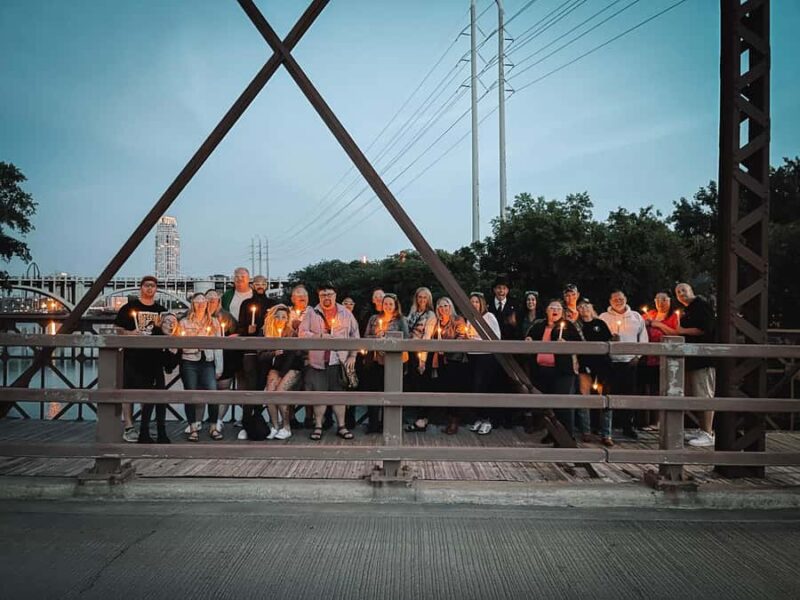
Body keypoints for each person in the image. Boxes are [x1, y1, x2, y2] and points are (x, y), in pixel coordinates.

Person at [650, 283, 716, 447]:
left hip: (703, 358)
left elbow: (705, 329)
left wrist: (680, 330)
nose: (681, 293)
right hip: (691, 358)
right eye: (678, 292)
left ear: (692, 290)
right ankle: (702, 430)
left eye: (684, 290)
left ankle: (708, 433)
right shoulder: (688, 309)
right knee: (694, 394)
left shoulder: (701, 305)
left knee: (704, 395)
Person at [299, 282, 360, 441]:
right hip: (318, 361)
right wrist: (319, 337)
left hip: (338, 361)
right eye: (323, 295)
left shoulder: (345, 313)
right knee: (319, 396)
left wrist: (353, 356)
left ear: (335, 295)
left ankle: (341, 425)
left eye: (329, 294)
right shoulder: (311, 313)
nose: (326, 297)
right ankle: (318, 425)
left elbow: (355, 336)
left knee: (339, 395)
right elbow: (302, 333)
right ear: (319, 296)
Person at [113, 275, 167, 443]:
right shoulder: (129, 308)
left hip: (153, 358)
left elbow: (168, 331)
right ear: (141, 288)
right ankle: (129, 426)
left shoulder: (161, 310)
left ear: (156, 289)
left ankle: (145, 424)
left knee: (149, 394)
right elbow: (116, 329)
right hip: (132, 356)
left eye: (153, 286)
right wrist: (130, 333)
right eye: (146, 286)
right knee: (128, 392)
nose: (149, 288)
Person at [526, 300, 581, 439]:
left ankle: (567, 436)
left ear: (562, 312)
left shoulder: (569, 326)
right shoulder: (539, 325)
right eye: (552, 307)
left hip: (562, 372)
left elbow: (580, 344)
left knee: (562, 404)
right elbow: (529, 337)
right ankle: (551, 434)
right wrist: (528, 339)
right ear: (546, 311)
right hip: (541, 371)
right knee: (546, 406)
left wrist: (567, 344)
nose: (554, 310)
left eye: (558, 308)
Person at [600, 289, 649, 439]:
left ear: (626, 299)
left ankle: (628, 426)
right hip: (611, 363)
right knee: (608, 394)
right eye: (615, 299)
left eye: (621, 299)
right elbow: (598, 337)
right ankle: (608, 427)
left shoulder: (636, 316)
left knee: (629, 394)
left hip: (630, 362)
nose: (618, 301)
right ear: (610, 301)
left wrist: (638, 356)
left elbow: (643, 338)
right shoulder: (603, 317)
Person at [179, 293, 224, 442]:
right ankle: (193, 427)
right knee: (190, 393)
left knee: (213, 393)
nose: (200, 305)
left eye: (203, 302)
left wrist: (219, 367)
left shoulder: (214, 322)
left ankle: (213, 426)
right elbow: (178, 343)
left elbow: (219, 346)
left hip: (208, 360)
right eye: (197, 302)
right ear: (192, 304)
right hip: (189, 359)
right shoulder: (184, 322)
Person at [362, 293, 409, 433]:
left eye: (390, 304)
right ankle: (373, 424)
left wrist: (389, 341)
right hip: (376, 360)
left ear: (395, 305)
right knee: (374, 391)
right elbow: (366, 336)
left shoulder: (401, 320)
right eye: (385, 303)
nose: (387, 306)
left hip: (394, 361)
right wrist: (377, 338)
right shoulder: (374, 318)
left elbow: (406, 338)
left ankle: (389, 424)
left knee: (391, 391)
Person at [574, 298, 614, 446]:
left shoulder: (600, 323)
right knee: (585, 397)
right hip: (585, 364)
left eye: (586, 306)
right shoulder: (576, 326)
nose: (583, 309)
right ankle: (586, 431)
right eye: (581, 307)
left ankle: (606, 433)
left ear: (591, 307)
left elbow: (609, 340)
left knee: (605, 398)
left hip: (602, 365)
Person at [639, 291, 680, 431]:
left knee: (660, 389)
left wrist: (658, 325)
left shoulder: (674, 316)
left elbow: (676, 333)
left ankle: (659, 421)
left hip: (664, 358)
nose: (660, 303)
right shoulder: (649, 314)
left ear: (669, 301)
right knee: (647, 389)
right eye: (657, 300)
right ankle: (645, 420)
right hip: (647, 358)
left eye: (664, 300)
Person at [137, 312, 181, 444]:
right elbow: (149, 357)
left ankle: (160, 432)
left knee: (160, 401)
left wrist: (173, 352)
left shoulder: (173, 340)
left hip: (157, 372)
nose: (171, 324)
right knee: (150, 401)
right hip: (143, 370)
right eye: (167, 321)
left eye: (174, 322)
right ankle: (144, 433)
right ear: (161, 323)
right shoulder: (154, 334)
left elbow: (169, 367)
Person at [262, 304, 303, 440]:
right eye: (277, 316)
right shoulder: (266, 332)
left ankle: (286, 427)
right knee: (269, 392)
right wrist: (273, 352)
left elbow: (293, 356)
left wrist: (281, 375)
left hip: (292, 367)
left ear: (288, 319)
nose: (280, 319)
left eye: (284, 317)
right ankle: (274, 425)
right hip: (276, 367)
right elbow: (260, 355)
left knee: (280, 392)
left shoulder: (292, 333)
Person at [431, 297, 469, 435]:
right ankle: (448, 419)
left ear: (450, 306)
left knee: (454, 389)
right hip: (441, 360)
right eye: (440, 306)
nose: (443, 309)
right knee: (444, 388)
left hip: (455, 360)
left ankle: (454, 421)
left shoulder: (458, 320)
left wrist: (446, 348)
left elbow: (461, 338)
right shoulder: (437, 322)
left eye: (445, 306)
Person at [465, 292, 502, 436]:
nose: (474, 304)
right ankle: (479, 417)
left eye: (476, 302)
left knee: (485, 387)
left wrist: (476, 340)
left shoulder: (489, 317)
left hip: (486, 357)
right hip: (472, 356)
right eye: (471, 302)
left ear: (481, 303)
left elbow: (496, 337)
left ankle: (488, 419)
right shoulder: (470, 319)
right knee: (475, 388)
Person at [404, 287, 437, 432]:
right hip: (410, 352)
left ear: (429, 299)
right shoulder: (412, 311)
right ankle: (417, 417)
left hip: (421, 353)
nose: (422, 300)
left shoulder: (430, 315)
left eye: (425, 297)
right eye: (420, 297)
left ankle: (422, 419)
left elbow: (427, 336)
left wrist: (422, 360)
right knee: (413, 383)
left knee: (422, 385)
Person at [206, 289, 238, 436]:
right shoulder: (199, 316)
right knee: (204, 390)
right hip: (205, 359)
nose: (212, 301)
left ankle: (218, 420)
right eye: (209, 299)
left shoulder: (227, 316)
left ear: (219, 301)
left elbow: (237, 333)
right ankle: (198, 420)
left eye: (214, 299)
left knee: (223, 389)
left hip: (226, 358)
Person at [487, 274, 518, 341]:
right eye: (499, 288)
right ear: (494, 289)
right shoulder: (487, 304)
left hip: (509, 343)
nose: (501, 291)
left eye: (504, 288)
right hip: (490, 342)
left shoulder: (515, 305)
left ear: (507, 290)